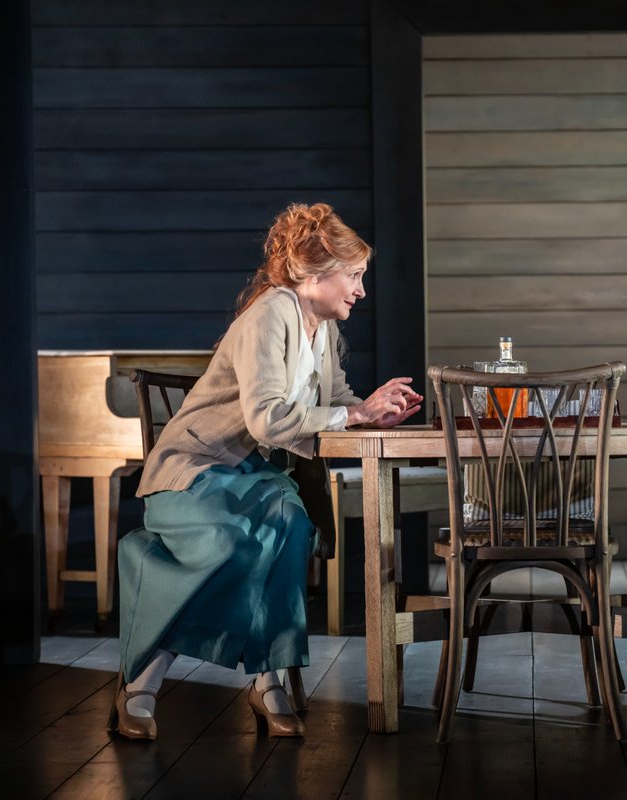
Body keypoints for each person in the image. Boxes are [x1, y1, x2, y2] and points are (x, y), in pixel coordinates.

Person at [108, 202, 422, 740]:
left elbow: (336, 399)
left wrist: (372, 407)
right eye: (354, 276)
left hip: (253, 477)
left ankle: (267, 681)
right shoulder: (272, 312)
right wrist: (354, 414)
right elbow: (268, 419)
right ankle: (145, 681)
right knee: (237, 543)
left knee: (292, 525)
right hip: (192, 473)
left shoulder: (318, 327)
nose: (361, 291)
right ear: (315, 274)